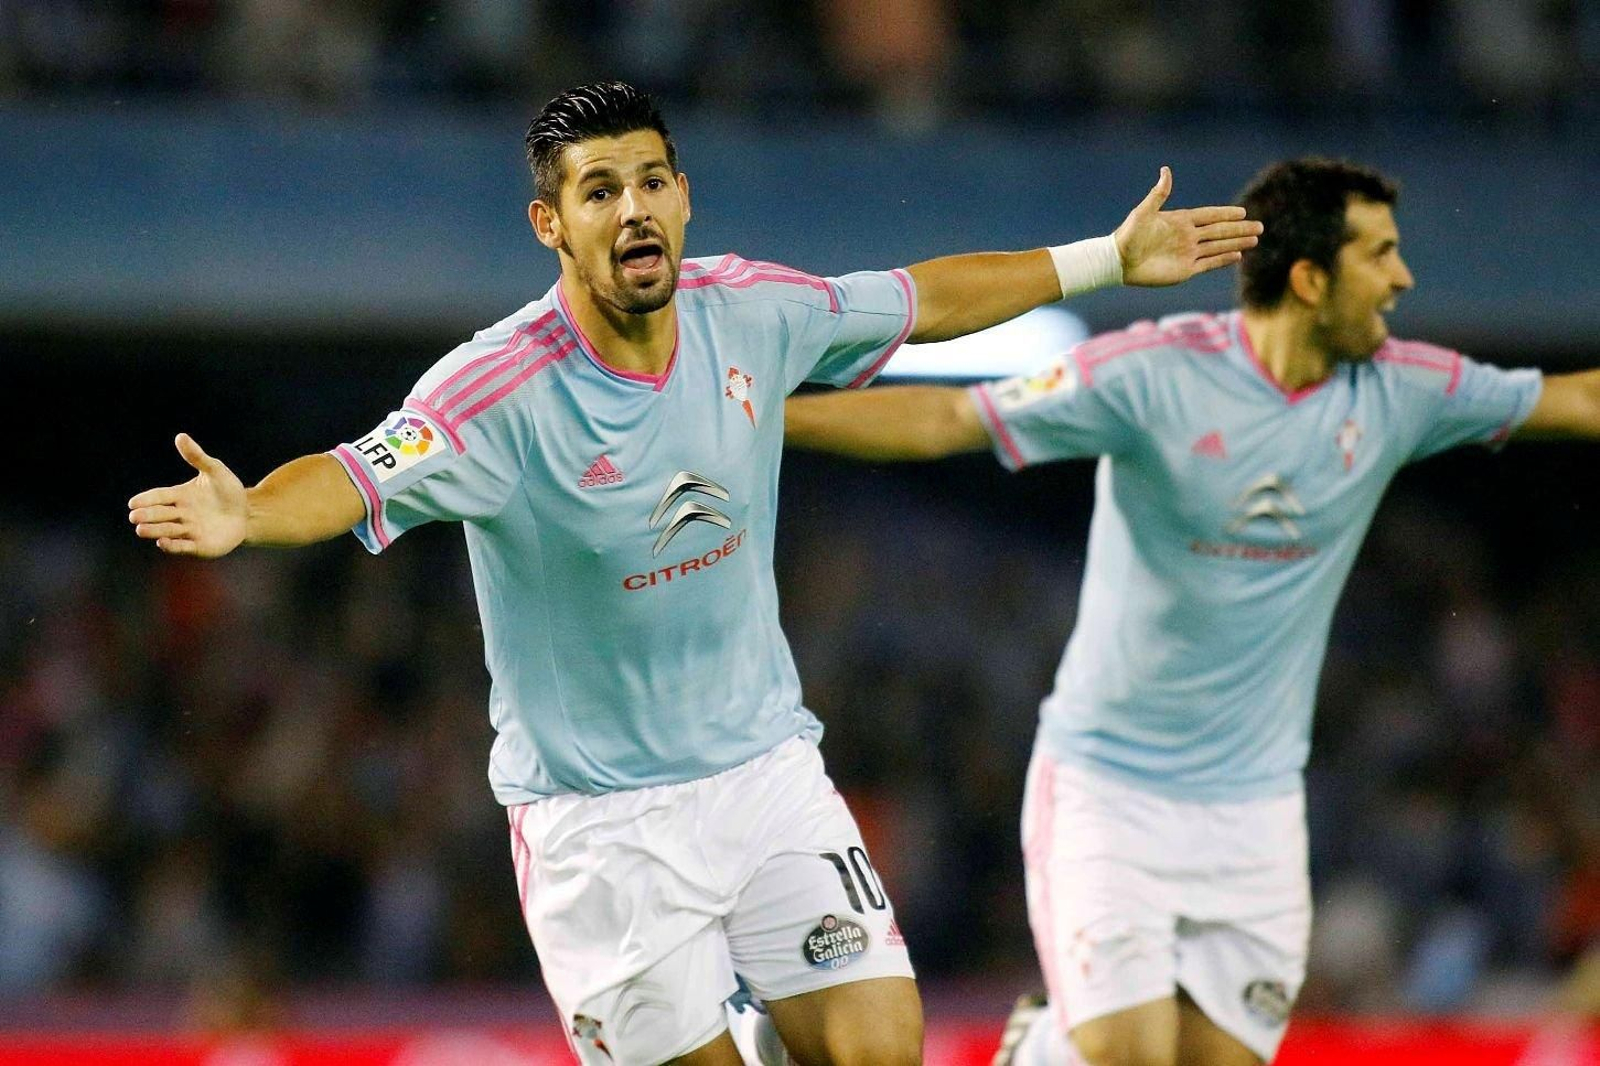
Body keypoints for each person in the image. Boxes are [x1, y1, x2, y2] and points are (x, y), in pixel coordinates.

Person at [125, 81, 1260, 1066]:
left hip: (763, 773)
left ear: (682, 198)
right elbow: (352, 473)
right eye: (599, 190)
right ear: (551, 224)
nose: (633, 208)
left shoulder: (750, 310)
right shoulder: (496, 392)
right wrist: (250, 510)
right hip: (599, 829)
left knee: (879, 1046)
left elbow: (923, 298)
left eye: (651, 181)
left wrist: (1106, 259)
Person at [782, 156, 1600, 1066]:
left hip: (1257, 811)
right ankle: (1049, 1046)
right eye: (1380, 255)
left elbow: (1579, 398)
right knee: (1128, 1056)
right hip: (1108, 790)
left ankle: (1044, 1047)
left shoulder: (1402, 391)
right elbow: (948, 421)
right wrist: (763, 418)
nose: (1403, 278)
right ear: (1310, 278)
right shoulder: (1154, 373)